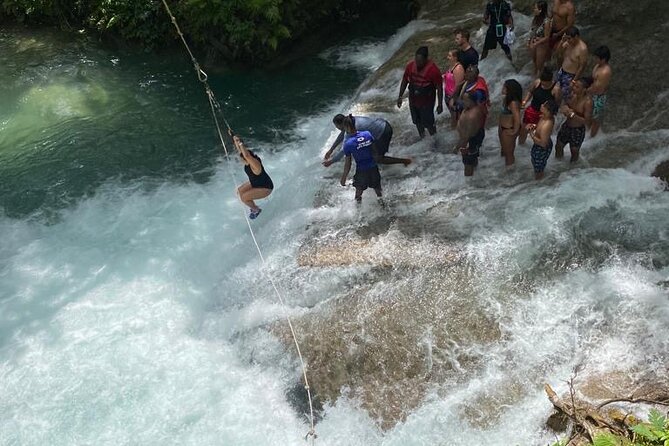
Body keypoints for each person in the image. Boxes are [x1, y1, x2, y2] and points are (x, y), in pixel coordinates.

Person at [323, 114, 411, 167]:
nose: (338, 129)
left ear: (342, 124)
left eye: (338, 127)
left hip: (383, 131)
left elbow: (344, 150)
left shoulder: (351, 128)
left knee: (378, 159)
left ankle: (405, 161)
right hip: (383, 124)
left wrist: (331, 162)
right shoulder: (350, 120)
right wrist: (331, 150)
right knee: (369, 152)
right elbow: (342, 135)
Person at [397, 46, 443, 138]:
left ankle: (435, 140)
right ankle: (423, 138)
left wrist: (440, 104)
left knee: (429, 123)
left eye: (420, 61)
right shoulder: (410, 66)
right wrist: (400, 96)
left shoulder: (433, 71)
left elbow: (439, 88)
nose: (418, 63)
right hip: (413, 98)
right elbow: (405, 81)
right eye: (416, 60)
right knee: (417, 121)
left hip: (427, 100)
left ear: (426, 59)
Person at [338, 115, 383, 203]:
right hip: (374, 168)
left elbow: (348, 164)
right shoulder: (367, 134)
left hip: (362, 171)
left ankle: (358, 213)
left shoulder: (348, 143)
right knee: (378, 190)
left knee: (358, 193)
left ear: (346, 127)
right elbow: (375, 152)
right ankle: (383, 206)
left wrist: (343, 178)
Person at [230, 131, 274, 220]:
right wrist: (235, 139)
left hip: (266, 187)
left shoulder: (255, 165)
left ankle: (256, 210)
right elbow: (242, 153)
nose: (240, 160)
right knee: (239, 191)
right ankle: (253, 205)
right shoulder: (247, 161)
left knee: (244, 198)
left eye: (242, 158)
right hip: (256, 183)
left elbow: (247, 155)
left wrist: (241, 142)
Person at [519, 66, 561, 144]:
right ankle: (521, 145)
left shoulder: (556, 89)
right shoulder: (537, 82)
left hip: (544, 114)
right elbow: (530, 92)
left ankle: (536, 146)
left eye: (546, 84)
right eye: (542, 84)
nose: (543, 86)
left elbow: (557, 104)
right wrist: (525, 101)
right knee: (524, 129)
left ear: (551, 81)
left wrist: (551, 115)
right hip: (532, 110)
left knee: (540, 133)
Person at [555, 77, 593, 163]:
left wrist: (573, 115)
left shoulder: (588, 102)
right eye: (574, 85)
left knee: (574, 151)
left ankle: (572, 168)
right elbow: (565, 102)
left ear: (584, 89)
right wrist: (565, 107)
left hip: (577, 129)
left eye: (577, 87)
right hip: (567, 125)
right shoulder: (573, 94)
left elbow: (588, 122)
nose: (574, 88)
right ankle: (557, 163)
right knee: (558, 146)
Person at [526, 98, 558, 180]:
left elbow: (543, 143)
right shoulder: (544, 116)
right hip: (540, 144)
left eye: (544, 105)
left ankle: (539, 182)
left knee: (538, 169)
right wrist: (534, 126)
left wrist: (531, 134)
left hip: (541, 148)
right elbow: (540, 128)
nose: (541, 105)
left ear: (548, 111)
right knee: (536, 164)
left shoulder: (547, 124)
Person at [456, 92, 486, 177]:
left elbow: (466, 136)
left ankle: (468, 185)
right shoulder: (468, 108)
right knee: (473, 157)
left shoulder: (472, 116)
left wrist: (457, 147)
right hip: (475, 136)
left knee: (467, 163)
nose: (463, 102)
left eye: (465, 100)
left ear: (472, 101)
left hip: (470, 140)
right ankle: (476, 174)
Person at [556, 26, 588, 101]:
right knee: (557, 91)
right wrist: (562, 41)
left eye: (569, 38)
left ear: (576, 37)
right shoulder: (567, 43)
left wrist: (574, 81)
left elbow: (582, 66)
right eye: (567, 38)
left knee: (566, 96)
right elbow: (558, 53)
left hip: (571, 75)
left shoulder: (582, 49)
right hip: (562, 71)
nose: (568, 40)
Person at [587, 45, 612, 137]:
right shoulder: (598, 66)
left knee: (595, 119)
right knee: (588, 115)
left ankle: (592, 137)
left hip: (599, 97)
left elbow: (598, 88)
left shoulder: (605, 72)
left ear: (604, 59)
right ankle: (588, 132)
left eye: (597, 58)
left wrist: (586, 90)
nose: (595, 59)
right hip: (592, 94)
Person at [498, 79, 522, 166]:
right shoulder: (507, 99)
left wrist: (514, 131)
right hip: (503, 127)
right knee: (504, 151)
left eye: (504, 87)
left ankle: (509, 174)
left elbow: (517, 119)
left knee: (509, 154)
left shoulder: (513, 103)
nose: (502, 88)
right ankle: (504, 168)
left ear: (509, 89)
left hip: (509, 129)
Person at [528, 1, 552, 77]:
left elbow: (547, 37)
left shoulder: (547, 22)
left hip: (542, 44)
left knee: (539, 66)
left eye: (535, 8)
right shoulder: (535, 19)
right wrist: (529, 41)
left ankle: (539, 79)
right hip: (534, 41)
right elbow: (532, 30)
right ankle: (534, 77)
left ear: (540, 10)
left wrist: (536, 44)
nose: (534, 9)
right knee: (534, 62)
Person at [443, 49, 465, 129]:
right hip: (448, 95)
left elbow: (458, 85)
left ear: (455, 57)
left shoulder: (458, 68)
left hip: (454, 97)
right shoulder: (451, 66)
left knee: (457, 117)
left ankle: (459, 134)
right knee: (453, 116)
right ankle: (454, 132)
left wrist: (453, 99)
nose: (447, 57)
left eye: (449, 56)